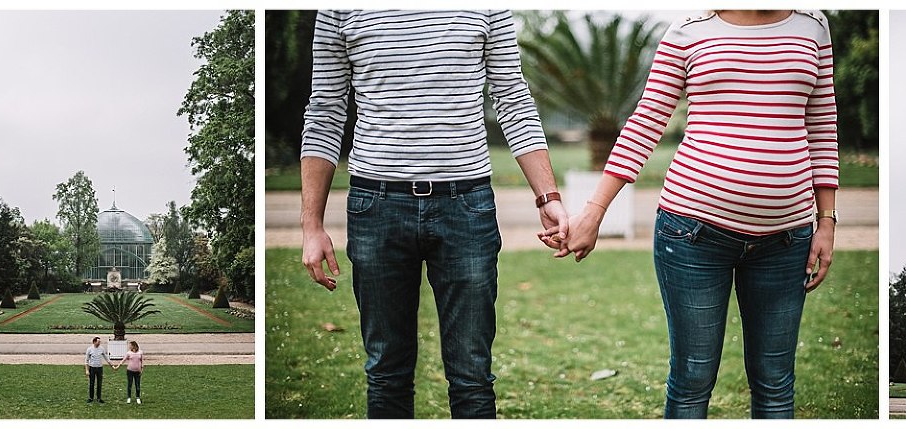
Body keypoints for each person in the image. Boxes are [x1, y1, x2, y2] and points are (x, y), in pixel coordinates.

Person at [554, 10, 839, 419]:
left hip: (786, 240)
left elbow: (822, 125)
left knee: (776, 385)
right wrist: (594, 212)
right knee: (692, 382)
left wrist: (827, 220)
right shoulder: (690, 29)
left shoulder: (813, 25)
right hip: (692, 236)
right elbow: (645, 124)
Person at [299, 10, 567, 419]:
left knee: (472, 376)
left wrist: (547, 196)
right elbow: (325, 112)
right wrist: (311, 225)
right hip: (376, 206)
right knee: (386, 373)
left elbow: (513, 99)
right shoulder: (338, 9)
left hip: (466, 207)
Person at [84, 336, 107, 403]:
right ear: (94, 342)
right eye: (98, 341)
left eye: (100, 342)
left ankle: (99, 398)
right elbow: (86, 360)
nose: (99, 343)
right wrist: (87, 370)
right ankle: (91, 398)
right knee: (91, 383)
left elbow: (106, 358)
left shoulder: (102, 349)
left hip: (100, 368)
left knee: (99, 383)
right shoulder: (89, 349)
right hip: (92, 368)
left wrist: (112, 365)